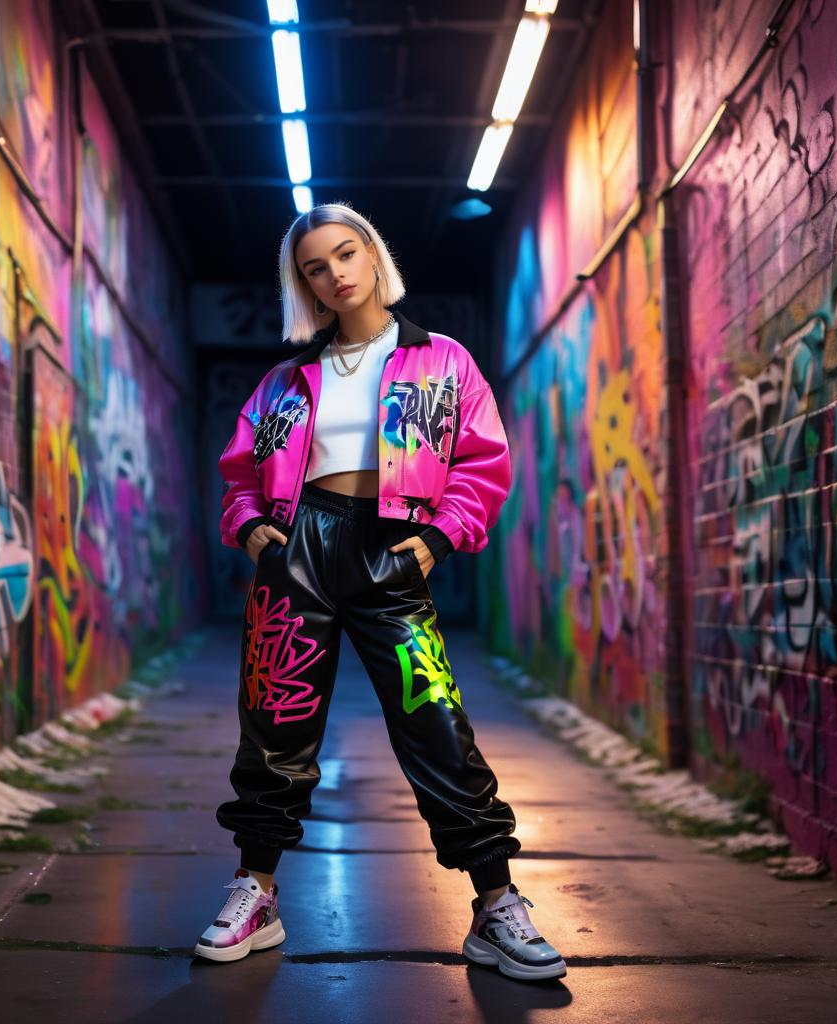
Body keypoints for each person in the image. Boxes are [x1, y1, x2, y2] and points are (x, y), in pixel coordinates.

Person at [194, 202, 566, 982]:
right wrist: (250, 527)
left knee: (436, 722)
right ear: (305, 285)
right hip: (298, 551)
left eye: (344, 254)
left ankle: (495, 904)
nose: (333, 275)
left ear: (372, 253)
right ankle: (254, 891)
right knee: (273, 726)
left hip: (389, 547)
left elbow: (482, 462)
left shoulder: (442, 362)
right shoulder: (286, 381)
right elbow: (240, 473)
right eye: (313, 269)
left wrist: (438, 538)